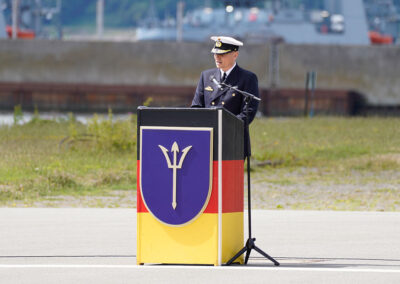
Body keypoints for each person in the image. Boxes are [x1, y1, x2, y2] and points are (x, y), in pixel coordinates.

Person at [191, 36, 260, 158]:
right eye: (215, 53)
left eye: (222, 54)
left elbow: (248, 112)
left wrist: (224, 128)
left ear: (235, 55)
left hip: (232, 140)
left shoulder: (247, 78)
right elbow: (196, 107)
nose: (217, 57)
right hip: (207, 140)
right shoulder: (206, 76)